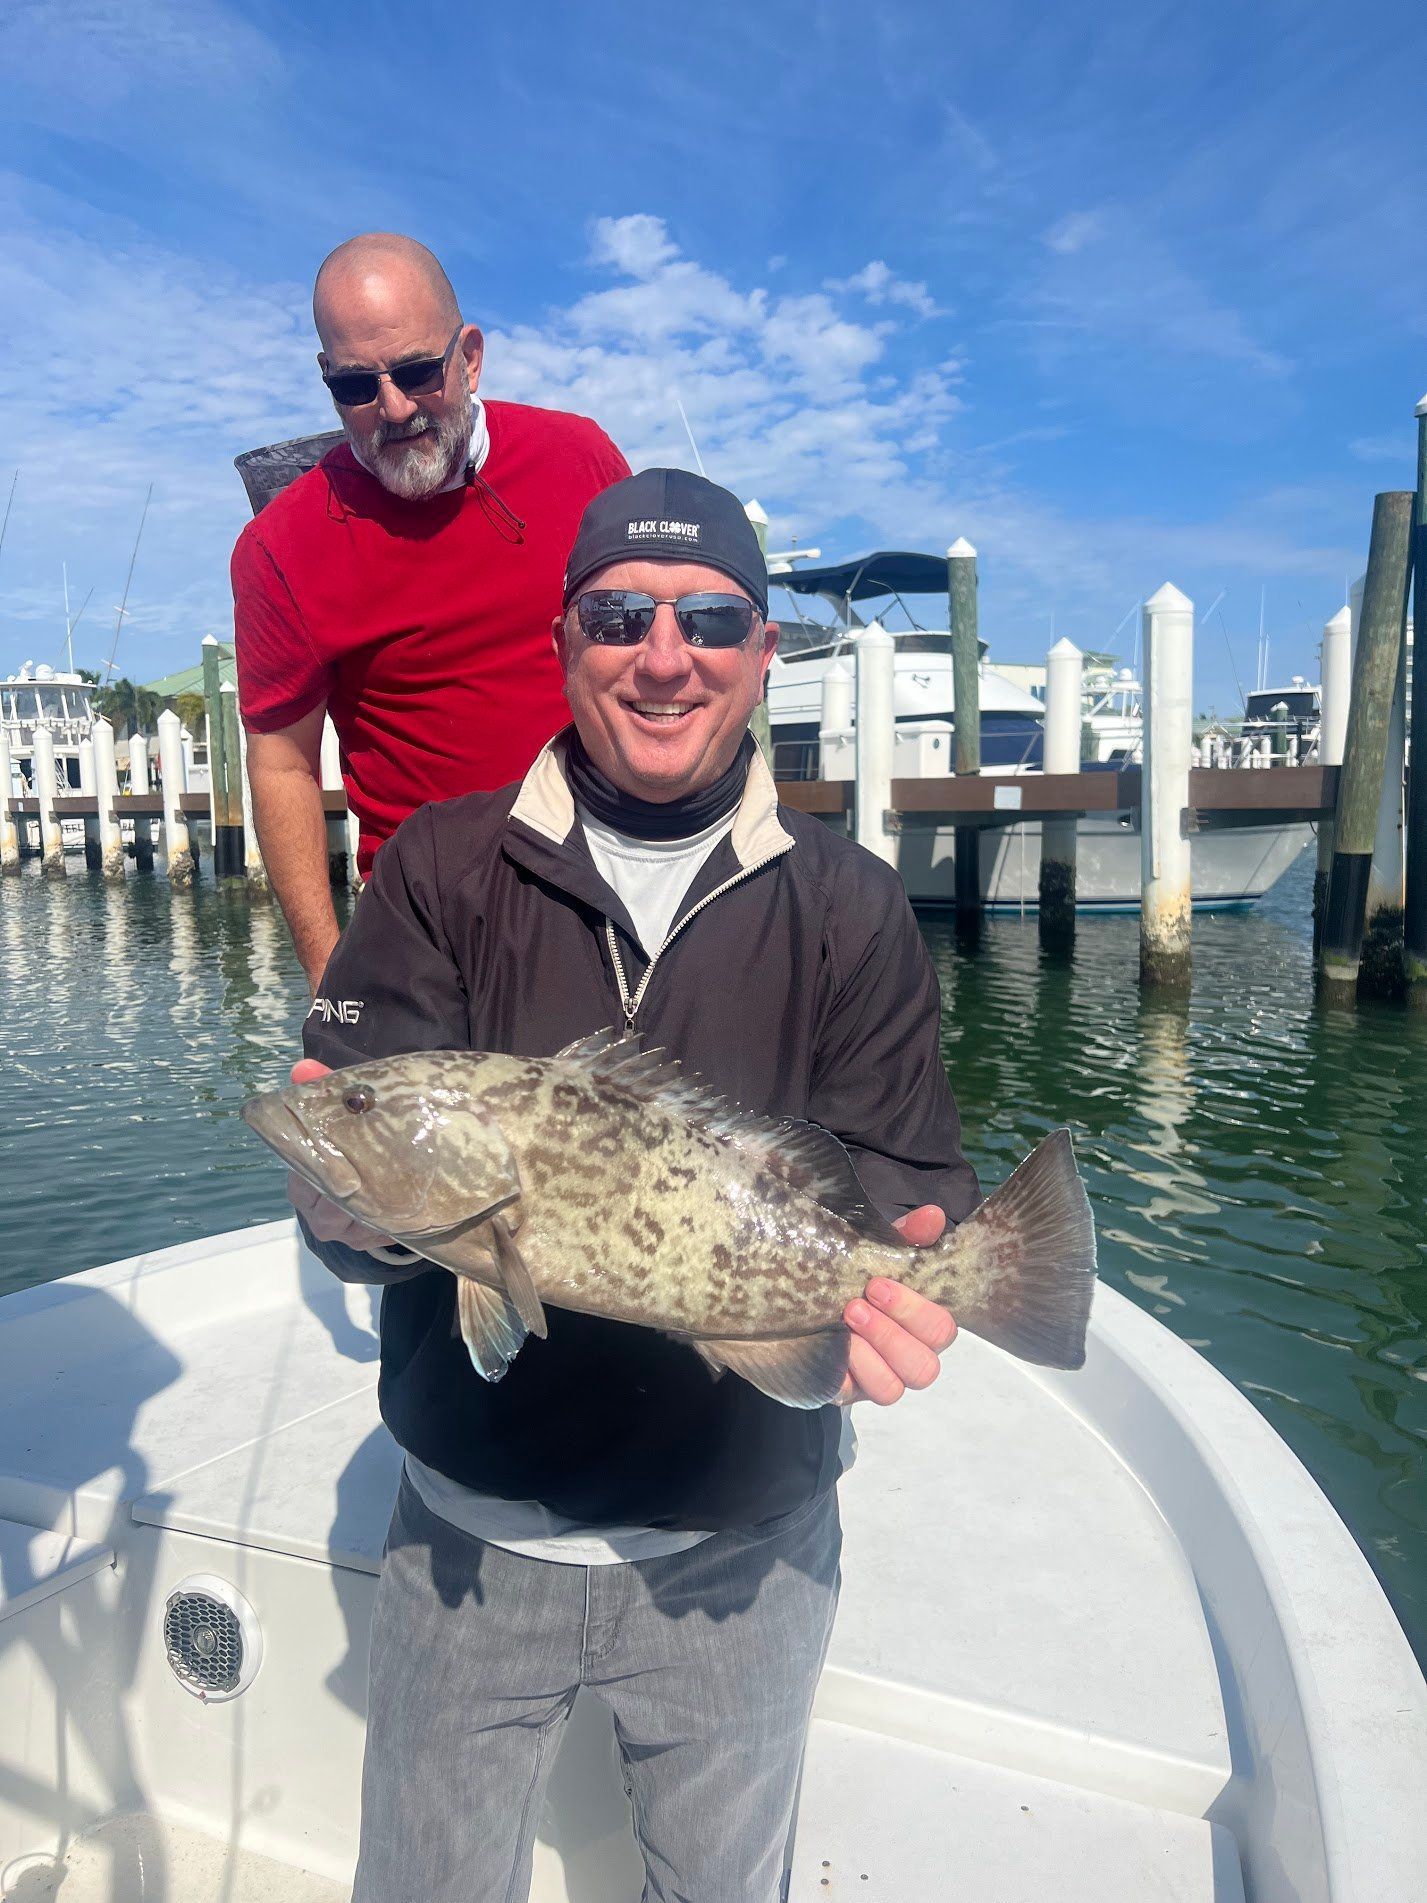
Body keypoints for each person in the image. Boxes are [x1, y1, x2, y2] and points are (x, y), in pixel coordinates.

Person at [293, 468, 979, 1902]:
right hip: (466, 1542)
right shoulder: (440, 864)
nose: (662, 654)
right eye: (618, 612)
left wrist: (919, 1280)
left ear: (759, 652)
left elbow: (905, 1176)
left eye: (709, 618)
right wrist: (343, 1208)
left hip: (745, 1552)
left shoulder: (849, 901)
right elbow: (363, 1187)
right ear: (562, 639)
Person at [231, 231, 629, 989]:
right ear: (326, 378)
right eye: (355, 385)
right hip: (428, 936)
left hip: (614, 898)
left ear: (469, 357)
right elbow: (281, 761)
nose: (393, 407)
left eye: (417, 371)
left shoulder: (581, 459)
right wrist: (329, 983)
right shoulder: (277, 547)